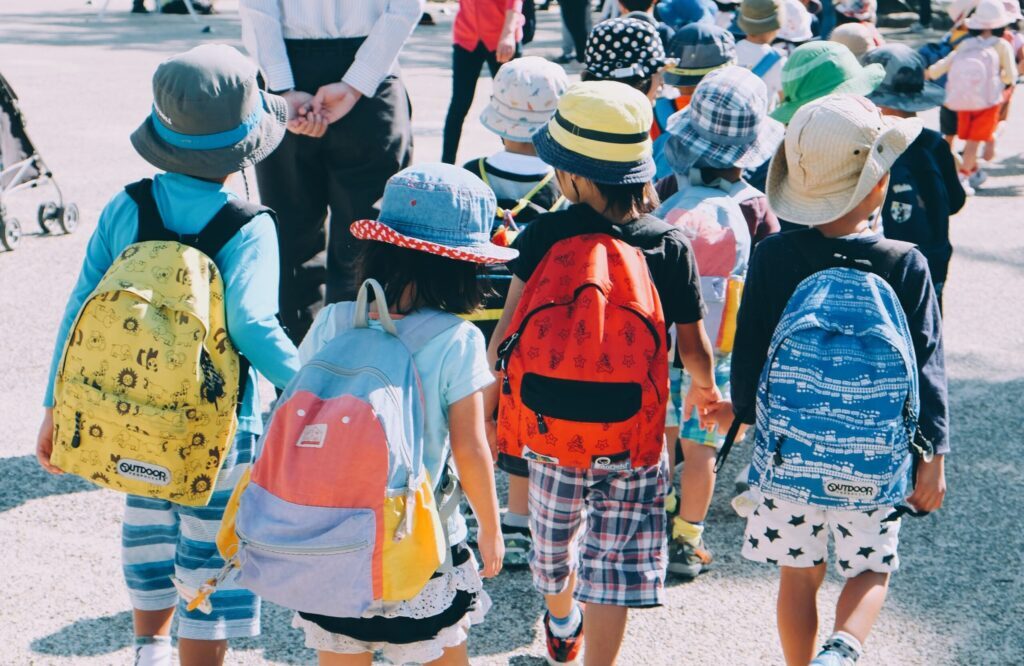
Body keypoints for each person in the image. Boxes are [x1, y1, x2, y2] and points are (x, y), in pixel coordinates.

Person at [34, 45, 301, 666]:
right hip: (217, 428)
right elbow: (255, 327)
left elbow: (79, 312)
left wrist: (56, 406)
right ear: (243, 148)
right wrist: (309, 384)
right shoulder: (248, 224)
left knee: (148, 535)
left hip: (125, 414)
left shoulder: (127, 205)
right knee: (210, 554)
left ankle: (147, 648)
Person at [489, 81, 721, 665]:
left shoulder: (541, 234)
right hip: (634, 434)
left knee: (551, 548)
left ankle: (562, 619)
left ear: (570, 175)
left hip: (551, 430)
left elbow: (505, 336)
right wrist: (706, 388)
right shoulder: (669, 246)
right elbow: (693, 345)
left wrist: (493, 404)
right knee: (613, 566)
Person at [730, 94, 948, 666]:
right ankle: (843, 648)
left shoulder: (774, 255)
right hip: (873, 463)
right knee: (873, 568)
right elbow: (927, 366)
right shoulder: (906, 262)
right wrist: (933, 455)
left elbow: (749, 352)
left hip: (789, 457)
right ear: (877, 185)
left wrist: (748, 414)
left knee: (798, 577)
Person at [290, 164, 509, 666]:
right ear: (462, 265)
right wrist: (491, 528)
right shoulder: (457, 340)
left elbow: (298, 406)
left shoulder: (334, 319)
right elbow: (472, 448)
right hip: (420, 539)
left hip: (334, 531)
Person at [655, 65, 783, 578]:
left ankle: (648, 522)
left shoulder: (666, 187)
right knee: (701, 445)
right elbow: (767, 280)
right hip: (719, 348)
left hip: (660, 341)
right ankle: (687, 540)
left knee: (658, 436)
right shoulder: (755, 206)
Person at [239, 0, 421, 343]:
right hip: (372, 68)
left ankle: (297, 381)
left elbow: (257, 9)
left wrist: (282, 87)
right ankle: (352, 377)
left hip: (290, 62)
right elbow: (405, 8)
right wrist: (356, 83)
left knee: (292, 241)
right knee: (366, 242)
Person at [462, 56, 568, 569]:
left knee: (473, 417)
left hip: (466, 319)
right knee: (524, 421)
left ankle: (466, 512)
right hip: (530, 324)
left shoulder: (469, 177)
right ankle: (520, 520)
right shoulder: (564, 188)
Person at [865, 44, 966, 310]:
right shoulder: (935, 143)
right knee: (927, 330)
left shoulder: (874, 148)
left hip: (886, 263)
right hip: (933, 258)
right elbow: (955, 201)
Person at [926, 0, 1016, 190]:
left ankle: (973, 171)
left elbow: (944, 65)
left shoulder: (966, 43)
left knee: (968, 139)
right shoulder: (1001, 45)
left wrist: (930, 73)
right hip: (988, 101)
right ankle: (963, 178)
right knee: (974, 143)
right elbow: (1011, 75)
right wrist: (1002, 83)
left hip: (962, 100)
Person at [441, 0, 524, 164]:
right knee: (459, 103)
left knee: (510, 106)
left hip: (501, 38)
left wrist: (508, 33)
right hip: (466, 35)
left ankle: (516, 163)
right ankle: (446, 165)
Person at [735, 0, 787, 110]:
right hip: (761, 124)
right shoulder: (778, 61)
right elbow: (785, 101)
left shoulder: (730, 51)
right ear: (776, 25)